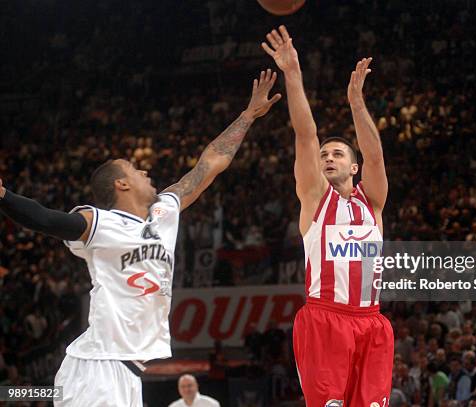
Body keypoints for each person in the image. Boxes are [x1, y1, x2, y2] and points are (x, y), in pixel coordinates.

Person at [0, 71, 281, 407]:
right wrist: (3, 194)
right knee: (25, 393)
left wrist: (248, 116)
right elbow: (44, 219)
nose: (145, 171)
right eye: (134, 168)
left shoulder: (165, 211)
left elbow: (209, 164)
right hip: (99, 368)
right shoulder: (100, 222)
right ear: (121, 184)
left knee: (31, 394)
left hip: (126, 371)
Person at [261, 25, 393, 406]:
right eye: (325, 155)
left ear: (354, 168)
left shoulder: (374, 204)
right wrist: (292, 73)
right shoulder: (316, 199)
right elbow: (305, 133)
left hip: (372, 320)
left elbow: (377, 155)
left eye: (337, 154)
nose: (328, 158)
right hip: (326, 317)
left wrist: (356, 101)